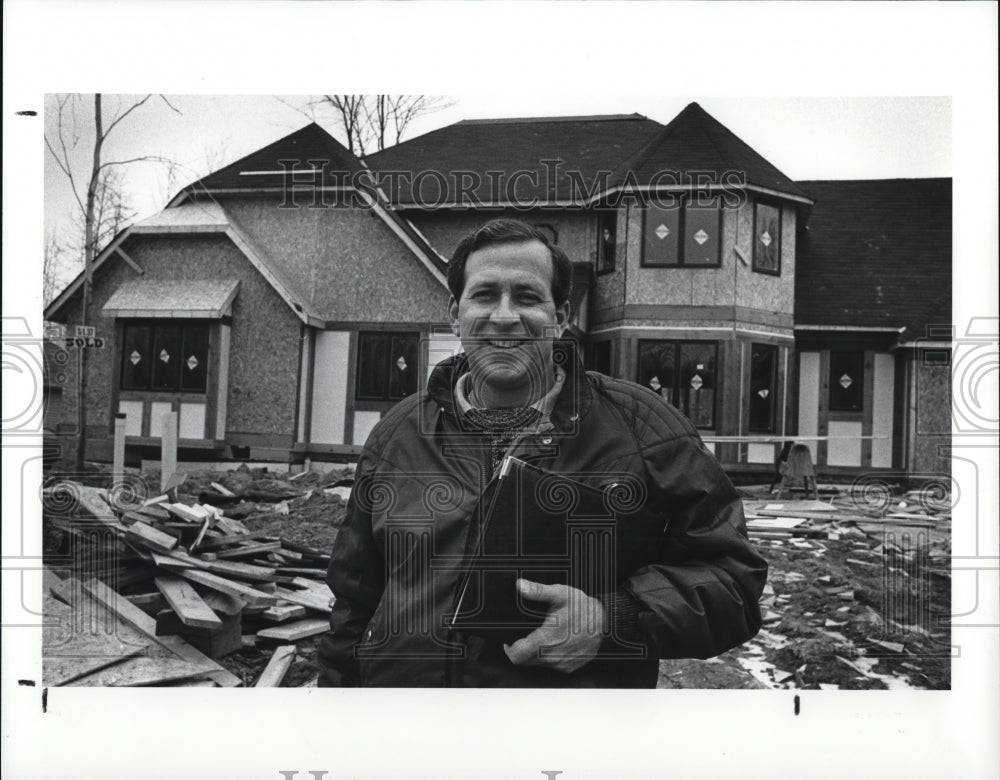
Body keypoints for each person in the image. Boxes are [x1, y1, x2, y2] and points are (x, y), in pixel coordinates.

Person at [317, 218, 767, 687]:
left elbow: (735, 581)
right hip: (407, 741)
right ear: (455, 313)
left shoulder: (644, 431)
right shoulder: (398, 434)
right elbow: (355, 600)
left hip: (562, 746)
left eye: (528, 297)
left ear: (562, 315)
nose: (505, 316)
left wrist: (611, 619)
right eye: (485, 295)